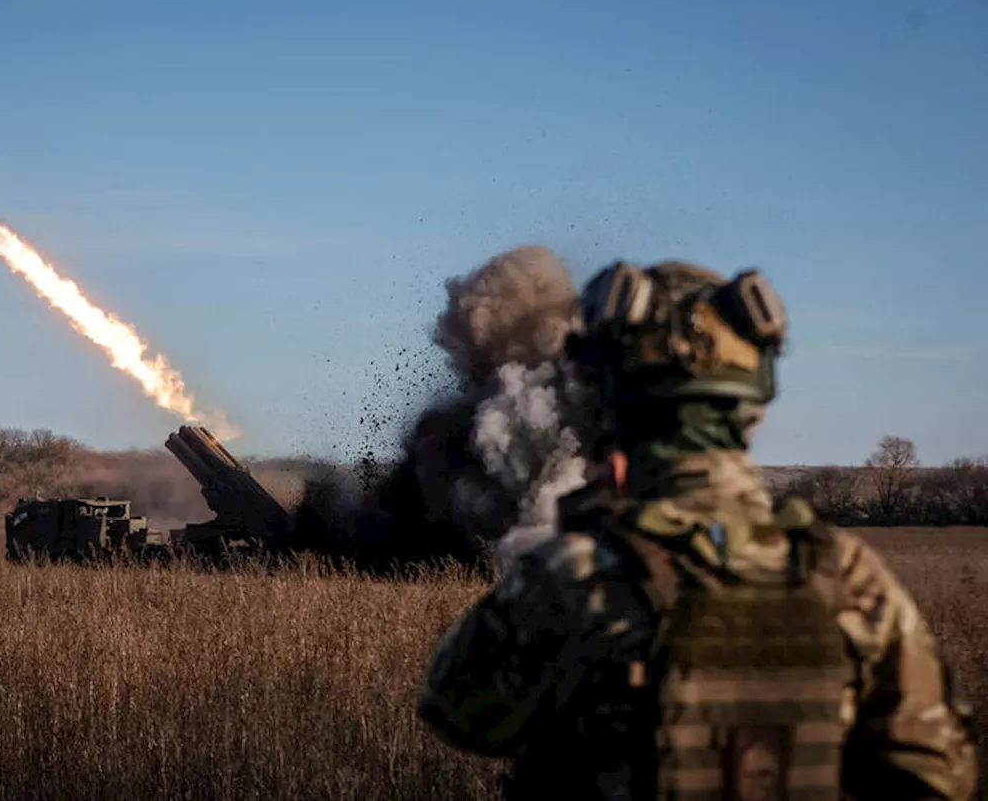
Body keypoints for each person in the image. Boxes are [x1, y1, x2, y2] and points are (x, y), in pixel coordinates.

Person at [416, 260, 977, 801]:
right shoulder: (848, 577)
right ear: (752, 407)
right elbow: (937, 772)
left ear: (607, 402)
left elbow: (457, 713)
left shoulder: (573, 577)